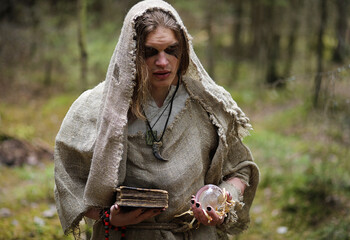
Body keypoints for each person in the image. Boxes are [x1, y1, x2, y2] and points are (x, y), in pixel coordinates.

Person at [54, 0, 259, 239]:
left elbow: (240, 170)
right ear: (131, 52)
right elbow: (68, 177)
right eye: (150, 52)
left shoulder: (209, 104)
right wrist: (106, 215)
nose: (162, 62)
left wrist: (221, 201)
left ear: (183, 51)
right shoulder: (95, 107)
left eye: (171, 50)